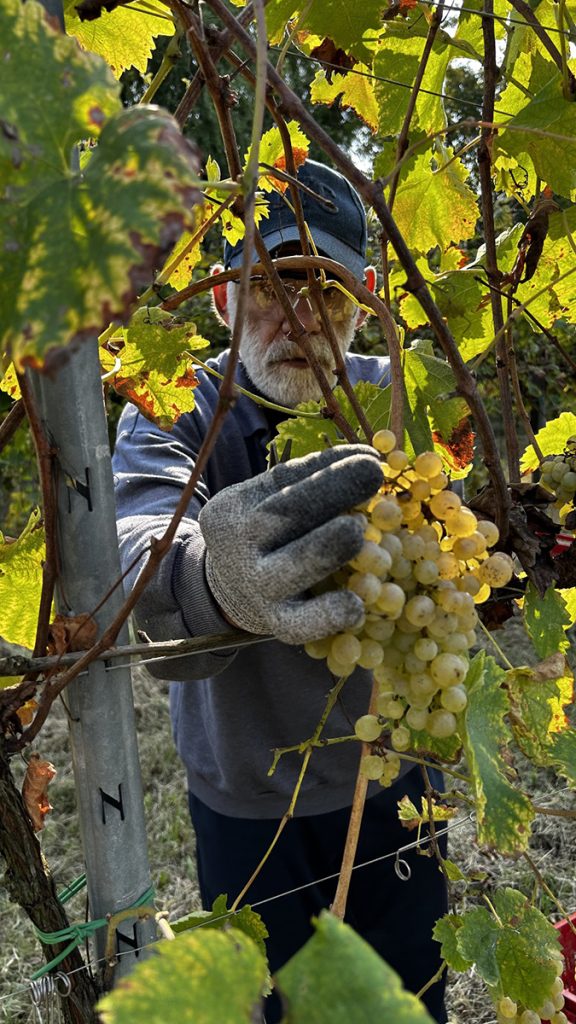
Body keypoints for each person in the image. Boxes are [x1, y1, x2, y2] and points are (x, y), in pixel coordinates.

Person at [113, 160, 448, 1022]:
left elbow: (467, 526)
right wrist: (208, 578)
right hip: (246, 800)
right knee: (276, 1011)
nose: (299, 318)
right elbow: (136, 546)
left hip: (396, 778)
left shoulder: (400, 398)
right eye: (270, 283)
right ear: (223, 299)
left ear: (366, 297)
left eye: (325, 290)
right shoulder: (170, 407)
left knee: (412, 998)